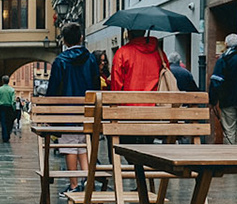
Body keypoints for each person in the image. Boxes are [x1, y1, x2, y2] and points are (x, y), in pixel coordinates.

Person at [45, 23, 104, 175]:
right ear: (81, 38)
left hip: (67, 113)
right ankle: (86, 180)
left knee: (69, 147)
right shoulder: (90, 59)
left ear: (64, 41)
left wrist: (49, 113)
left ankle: (73, 184)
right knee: (83, 144)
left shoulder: (60, 61)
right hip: (86, 112)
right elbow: (96, 85)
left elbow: (53, 89)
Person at [110, 28, 167, 92]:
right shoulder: (159, 53)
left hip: (129, 100)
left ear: (129, 34)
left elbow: (116, 85)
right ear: (144, 32)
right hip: (155, 100)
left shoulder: (122, 53)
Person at [0, 75, 20, 142]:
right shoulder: (11, 90)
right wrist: (13, 108)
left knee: (3, 122)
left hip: (2, 107)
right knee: (9, 122)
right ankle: (7, 134)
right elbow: (13, 101)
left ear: (2, 81)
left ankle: (4, 136)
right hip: (9, 107)